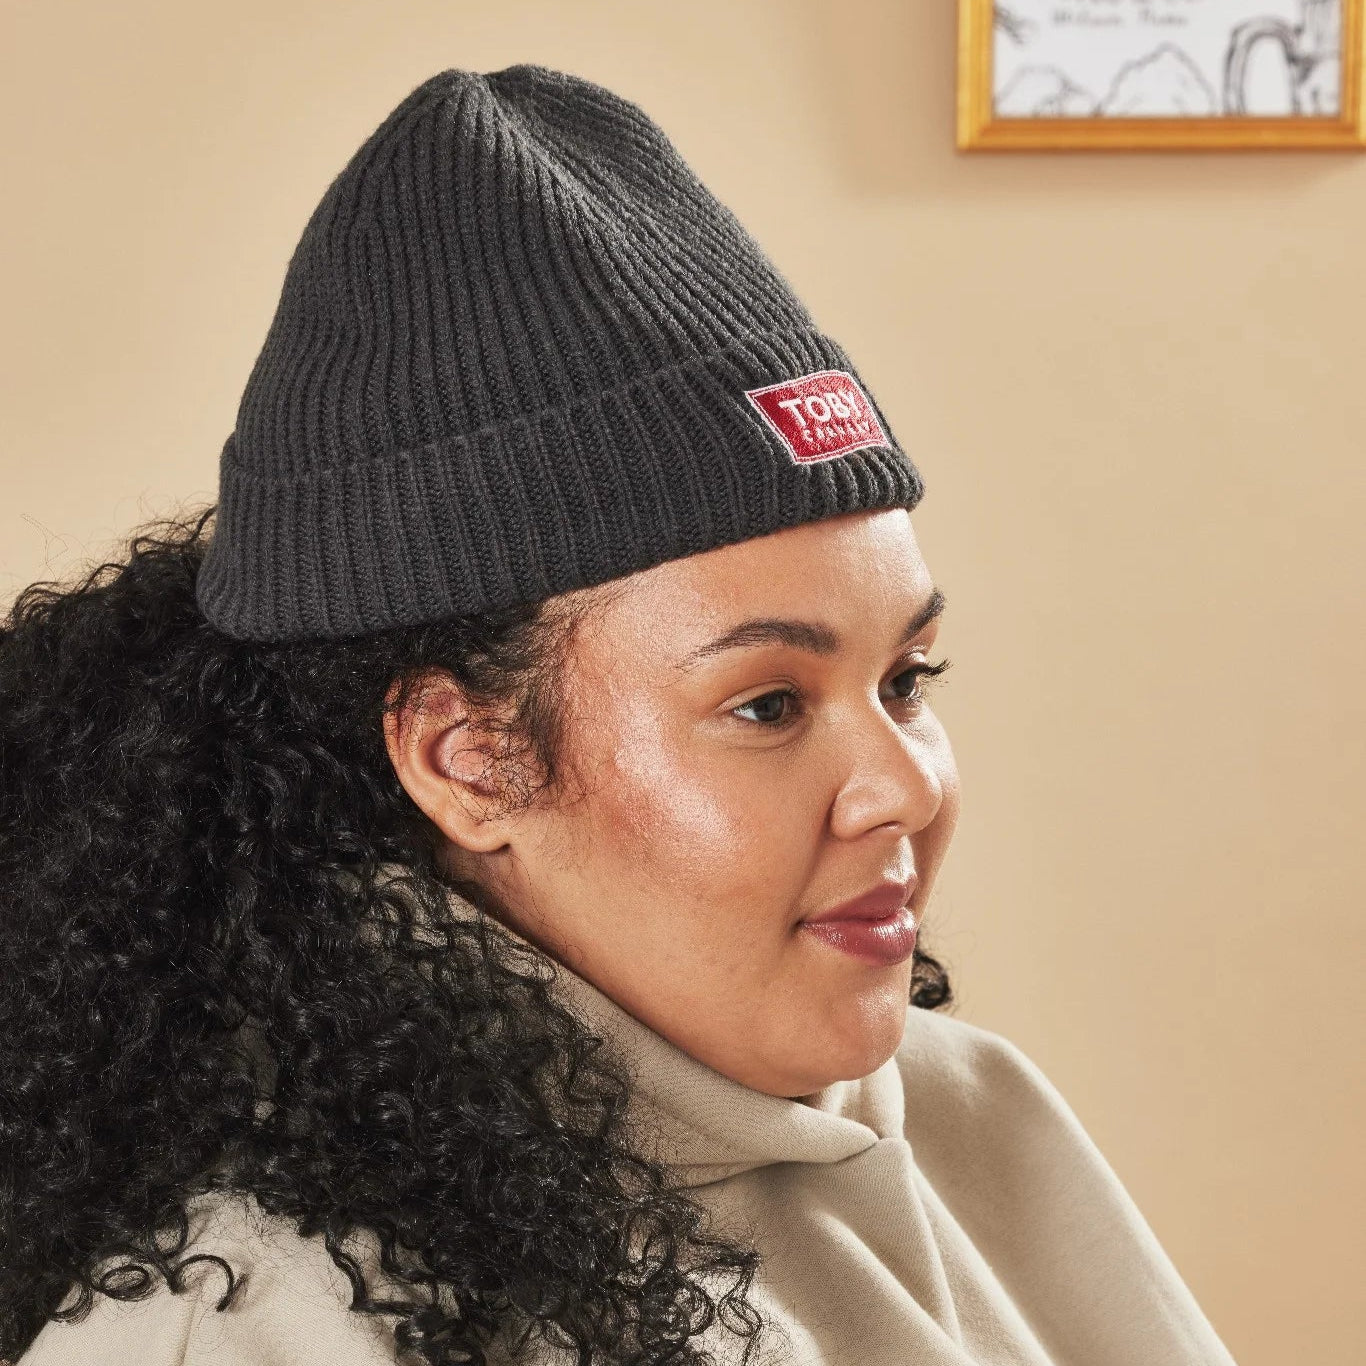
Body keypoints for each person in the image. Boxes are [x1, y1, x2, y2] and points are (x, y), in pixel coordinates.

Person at [0, 64, 1240, 1366]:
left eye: (903, 680)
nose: (902, 783)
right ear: (466, 757)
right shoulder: (271, 1320)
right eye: (766, 702)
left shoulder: (973, 1110)